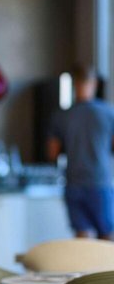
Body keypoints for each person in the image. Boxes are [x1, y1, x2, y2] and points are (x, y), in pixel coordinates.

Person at [47, 64, 114, 240]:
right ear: (94, 83)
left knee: (82, 238)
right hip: (99, 181)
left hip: (73, 182)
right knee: (107, 237)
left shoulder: (61, 116)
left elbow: (52, 153)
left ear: (74, 84)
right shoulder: (108, 113)